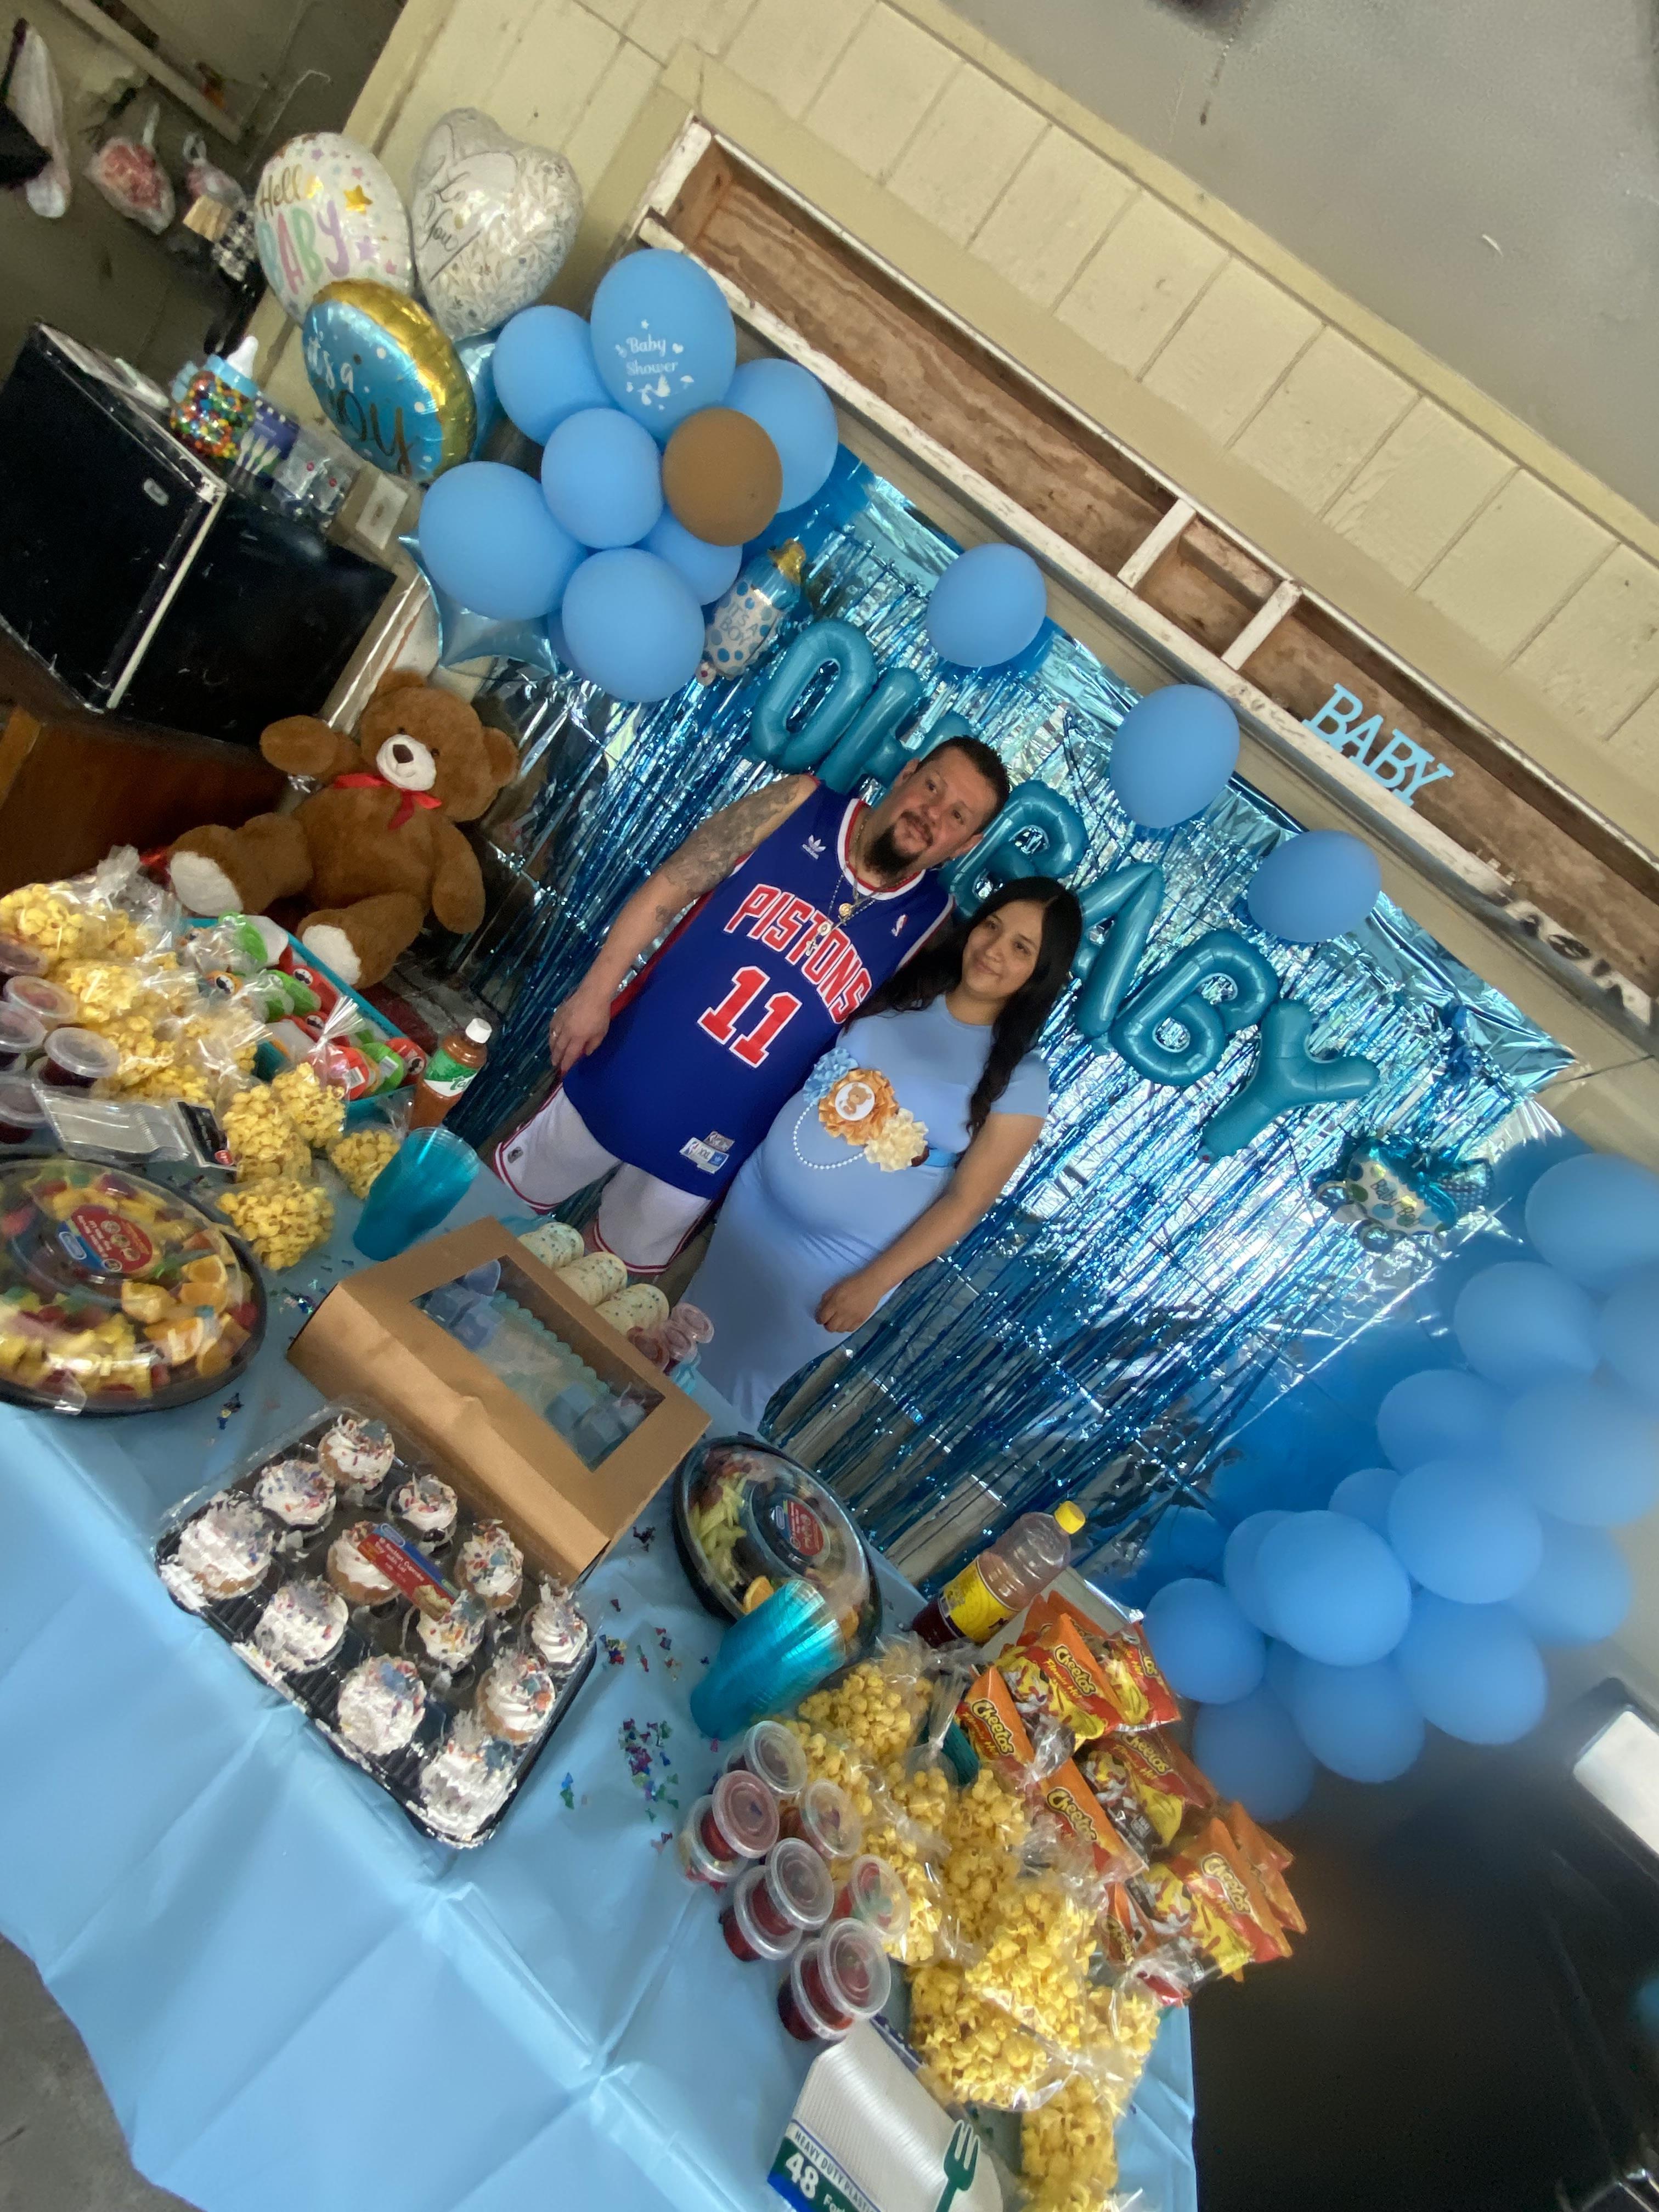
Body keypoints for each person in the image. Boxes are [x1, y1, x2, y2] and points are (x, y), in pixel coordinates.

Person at [493, 740, 1011, 1271]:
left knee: (599, 1288)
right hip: (626, 1062)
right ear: (906, 774)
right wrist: (596, 990)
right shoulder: (800, 802)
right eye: (932, 787)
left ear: (963, 847)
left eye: (956, 816)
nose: (932, 815)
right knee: (493, 1211)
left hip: (719, 1142)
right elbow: (672, 883)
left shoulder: (931, 925)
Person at [687, 876, 1084, 1427]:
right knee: (679, 1340)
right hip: (752, 1206)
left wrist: (872, 1284)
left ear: (1043, 974)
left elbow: (966, 1203)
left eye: (1022, 948)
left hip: (832, 1264)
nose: (994, 949)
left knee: (731, 1391)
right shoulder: (907, 983)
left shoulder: (1022, 1076)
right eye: (993, 925)